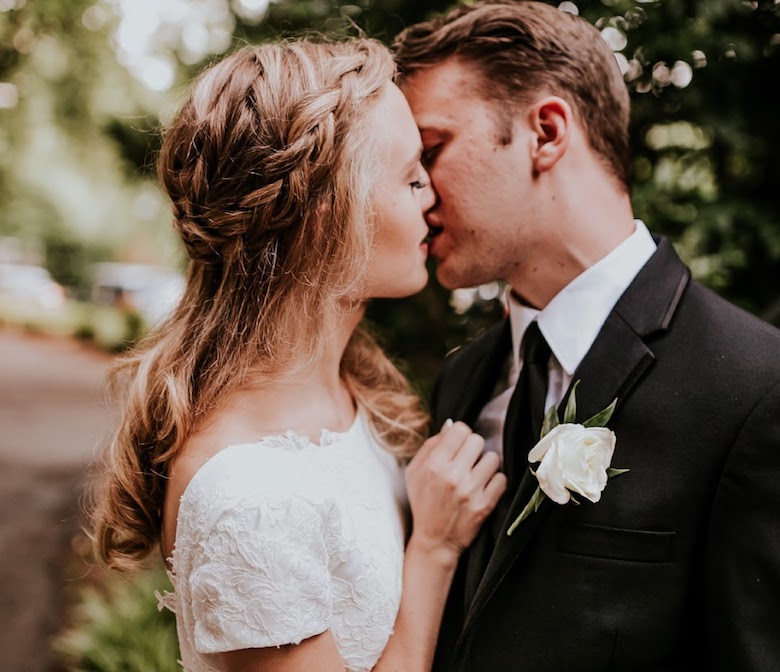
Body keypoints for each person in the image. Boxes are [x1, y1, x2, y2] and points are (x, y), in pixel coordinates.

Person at [89, 38, 507, 672]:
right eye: (407, 174)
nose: (431, 195)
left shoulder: (345, 389)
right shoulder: (247, 496)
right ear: (324, 215)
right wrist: (437, 549)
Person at [394, 2, 780, 671]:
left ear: (546, 132)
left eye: (432, 151)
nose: (417, 193)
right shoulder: (463, 379)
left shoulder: (755, 389)